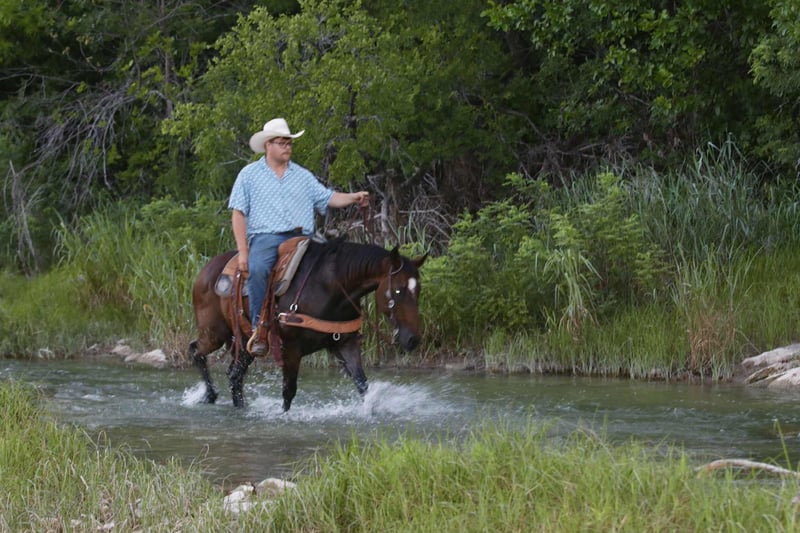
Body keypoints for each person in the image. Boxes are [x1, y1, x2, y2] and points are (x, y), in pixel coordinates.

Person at [228, 118, 370, 355]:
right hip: (267, 237)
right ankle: (258, 328)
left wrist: (353, 197)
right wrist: (243, 252)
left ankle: (339, 326)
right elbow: (238, 213)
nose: (287, 147)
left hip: (304, 238)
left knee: (334, 266)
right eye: (282, 143)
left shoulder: (302, 176)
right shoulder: (249, 175)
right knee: (258, 269)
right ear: (268, 145)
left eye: (289, 143)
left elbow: (328, 197)